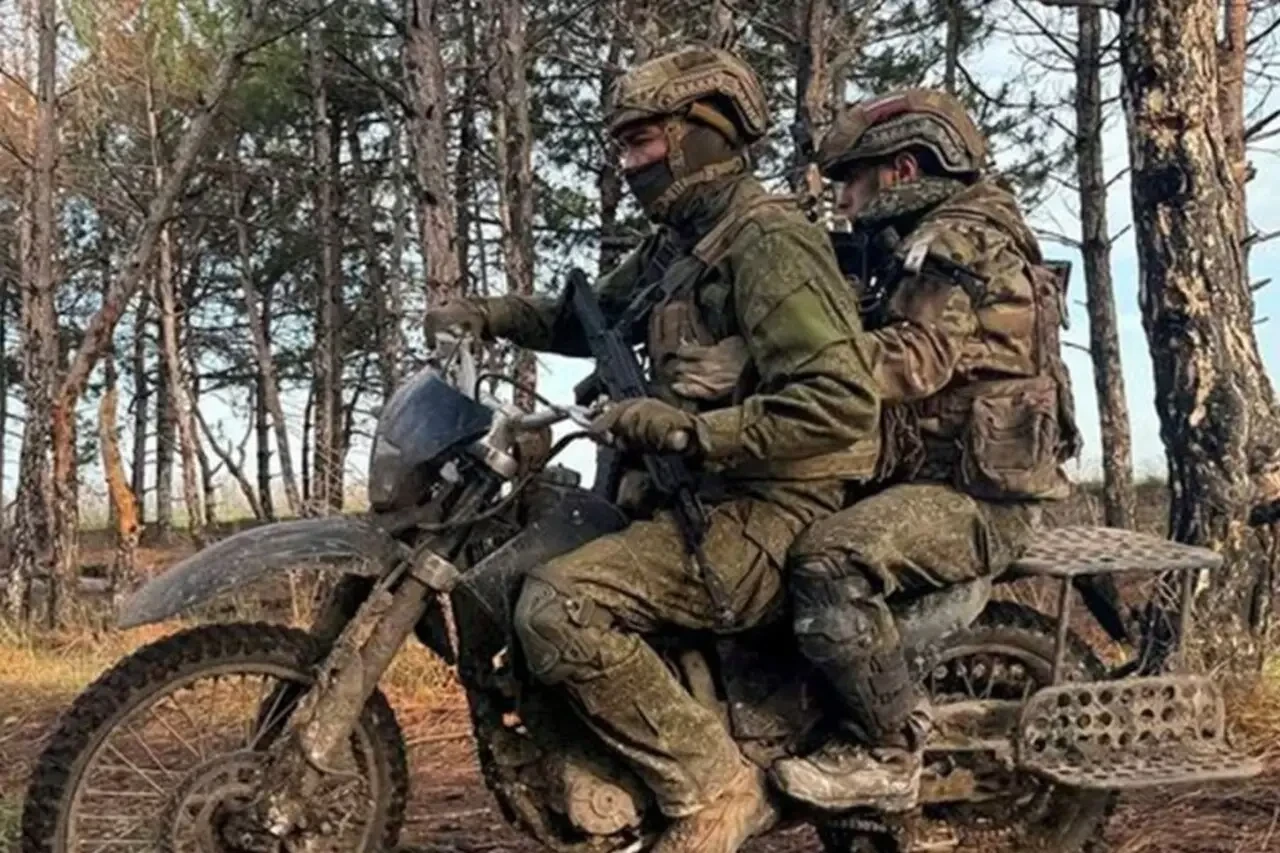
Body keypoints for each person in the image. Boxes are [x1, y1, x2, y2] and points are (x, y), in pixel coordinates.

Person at [425, 45, 882, 853]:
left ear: (701, 133)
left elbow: (840, 401)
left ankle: (716, 786)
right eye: (623, 146)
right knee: (525, 560)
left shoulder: (769, 242)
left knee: (559, 606)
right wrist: (487, 315)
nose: (628, 162)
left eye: (641, 141)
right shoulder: (683, 242)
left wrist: (690, 431)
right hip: (695, 495)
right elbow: (589, 315)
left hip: (767, 510)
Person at [769, 89, 1081, 814]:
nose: (843, 198)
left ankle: (887, 750)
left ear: (904, 170)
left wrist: (776, 359)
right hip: (928, 477)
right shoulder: (927, 240)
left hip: (976, 501)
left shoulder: (956, 243)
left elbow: (913, 359)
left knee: (828, 560)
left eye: (853, 179)